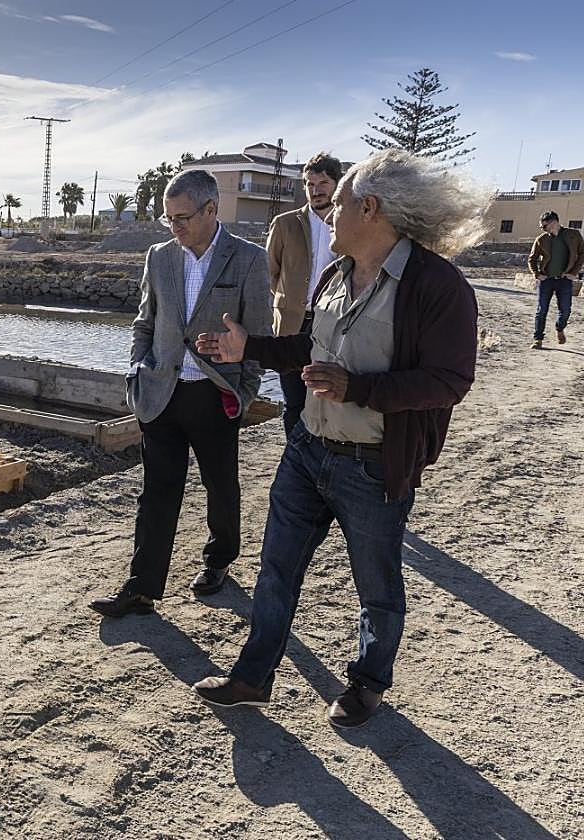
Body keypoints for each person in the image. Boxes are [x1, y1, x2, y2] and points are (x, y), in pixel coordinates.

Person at [191, 149, 485, 727]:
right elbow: (309, 349)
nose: (327, 214)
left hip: (374, 465)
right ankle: (253, 677)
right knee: (276, 568)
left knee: (376, 584)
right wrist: (247, 346)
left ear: (370, 209)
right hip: (307, 450)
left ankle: (368, 683)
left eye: (341, 203)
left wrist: (358, 387)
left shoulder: (438, 285)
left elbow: (450, 381)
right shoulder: (336, 274)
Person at [89, 170, 271, 617]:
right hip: (161, 391)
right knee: (157, 491)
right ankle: (142, 587)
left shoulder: (249, 258)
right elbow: (144, 322)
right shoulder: (159, 256)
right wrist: (137, 371)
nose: (175, 227)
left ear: (212, 210)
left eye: (182, 217)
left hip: (215, 394)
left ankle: (219, 561)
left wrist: (243, 392)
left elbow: (260, 336)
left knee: (220, 486)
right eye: (168, 219)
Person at [266, 152, 342, 434]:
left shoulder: (349, 225)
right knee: (293, 400)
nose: (316, 190)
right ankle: (294, 457)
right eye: (310, 184)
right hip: (290, 324)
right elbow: (271, 272)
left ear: (337, 184)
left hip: (333, 325)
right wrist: (290, 301)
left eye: (322, 183)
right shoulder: (285, 224)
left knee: (327, 397)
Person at [528, 211, 583, 349]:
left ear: (554, 222)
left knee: (565, 310)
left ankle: (559, 328)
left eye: (544, 226)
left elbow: (582, 253)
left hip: (565, 280)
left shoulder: (573, 235)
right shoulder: (541, 239)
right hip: (546, 280)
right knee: (541, 310)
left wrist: (574, 272)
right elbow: (532, 259)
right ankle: (538, 339)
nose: (543, 229)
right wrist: (537, 274)